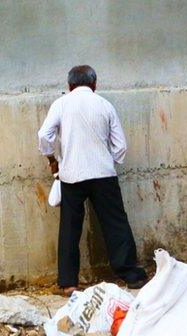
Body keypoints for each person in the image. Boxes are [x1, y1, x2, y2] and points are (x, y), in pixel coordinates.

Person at [37, 65, 147, 295]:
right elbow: (121, 147)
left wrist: (52, 159)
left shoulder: (61, 104)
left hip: (72, 175)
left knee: (70, 227)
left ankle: (69, 282)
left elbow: (43, 136)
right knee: (115, 223)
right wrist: (108, 160)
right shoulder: (104, 104)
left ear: (69, 86)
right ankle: (130, 275)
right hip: (103, 174)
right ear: (94, 84)